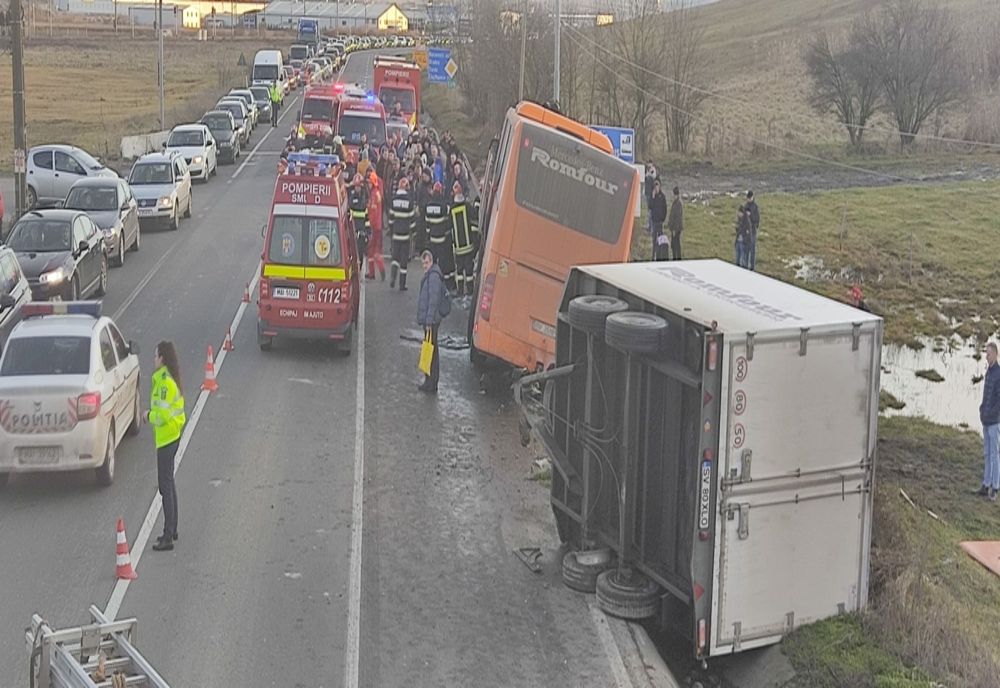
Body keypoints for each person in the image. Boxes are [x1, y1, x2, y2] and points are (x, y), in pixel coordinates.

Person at [143, 341, 186, 552]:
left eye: (155, 356)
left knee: (165, 486)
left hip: (167, 438)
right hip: (170, 436)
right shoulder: (165, 380)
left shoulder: (165, 384)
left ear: (162, 358)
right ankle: (173, 528)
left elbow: (161, 415)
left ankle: (168, 535)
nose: (153, 360)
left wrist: (147, 415)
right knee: (169, 483)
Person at [417, 250, 445, 394]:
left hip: (431, 321)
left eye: (426, 263)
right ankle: (430, 381)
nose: (425, 266)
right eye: (423, 263)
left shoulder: (433, 277)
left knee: (431, 352)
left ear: (432, 262)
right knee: (431, 350)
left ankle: (431, 382)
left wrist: (428, 320)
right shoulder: (432, 275)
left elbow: (433, 301)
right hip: (431, 320)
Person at [978, 343, 1000, 501]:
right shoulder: (989, 372)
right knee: (986, 453)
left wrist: (991, 414)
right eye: (986, 353)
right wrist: (981, 410)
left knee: (994, 454)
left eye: (989, 353)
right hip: (986, 419)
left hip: (994, 421)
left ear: (996, 355)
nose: (986, 356)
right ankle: (986, 484)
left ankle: (995, 487)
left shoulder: (999, 373)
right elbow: (986, 395)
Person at [424, 182, 453, 292]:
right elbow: (447, 222)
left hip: (432, 239)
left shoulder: (428, 206)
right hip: (442, 239)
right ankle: (443, 285)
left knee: (433, 262)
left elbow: (427, 224)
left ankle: (431, 282)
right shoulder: (444, 206)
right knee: (443, 263)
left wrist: (428, 235)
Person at [389, 178, 416, 291]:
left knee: (395, 257)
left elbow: (391, 218)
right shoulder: (409, 202)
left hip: (396, 233)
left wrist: (391, 230)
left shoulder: (393, 200)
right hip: (405, 235)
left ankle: (393, 277)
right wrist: (414, 233)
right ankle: (402, 284)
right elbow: (412, 220)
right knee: (404, 260)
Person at [450, 182, 475, 298]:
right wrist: (475, 241)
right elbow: (474, 224)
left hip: (458, 247)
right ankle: (470, 290)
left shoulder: (451, 209)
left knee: (459, 271)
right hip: (468, 246)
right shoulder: (468, 207)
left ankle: (460, 290)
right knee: (469, 270)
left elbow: (450, 227)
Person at [365, 169, 385, 281]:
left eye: (369, 182)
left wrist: (369, 227)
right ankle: (374, 272)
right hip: (377, 226)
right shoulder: (376, 193)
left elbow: (373, 213)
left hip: (374, 227)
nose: (367, 184)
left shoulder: (374, 195)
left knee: (373, 250)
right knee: (373, 250)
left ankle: (378, 270)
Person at [348, 174, 370, 273]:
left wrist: (368, 232)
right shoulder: (352, 199)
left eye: (359, 186)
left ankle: (358, 271)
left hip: (361, 232)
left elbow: (366, 218)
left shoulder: (364, 199)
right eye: (356, 186)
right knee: (351, 254)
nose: (357, 188)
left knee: (360, 254)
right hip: (353, 232)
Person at [648, 180, 668, 261]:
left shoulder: (662, 196)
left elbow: (665, 208)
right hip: (654, 221)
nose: (656, 188)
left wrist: (663, 218)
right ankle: (653, 256)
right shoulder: (653, 196)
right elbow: (650, 206)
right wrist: (652, 197)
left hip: (659, 221)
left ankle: (660, 255)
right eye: (655, 186)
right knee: (654, 239)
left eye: (657, 186)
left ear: (659, 187)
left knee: (660, 239)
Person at [667, 186, 684, 261]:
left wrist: (674, 230)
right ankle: (676, 258)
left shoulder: (678, 204)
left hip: (676, 229)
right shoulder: (676, 202)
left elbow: (677, 218)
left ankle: (677, 259)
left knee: (676, 245)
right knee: (674, 245)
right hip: (674, 228)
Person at [745, 190, 760, 271]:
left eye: (749, 198)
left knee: (752, 249)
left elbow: (757, 219)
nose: (748, 199)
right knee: (746, 249)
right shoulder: (746, 206)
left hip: (752, 231)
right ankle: (745, 265)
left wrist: (750, 216)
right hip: (746, 232)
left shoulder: (755, 207)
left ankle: (752, 267)